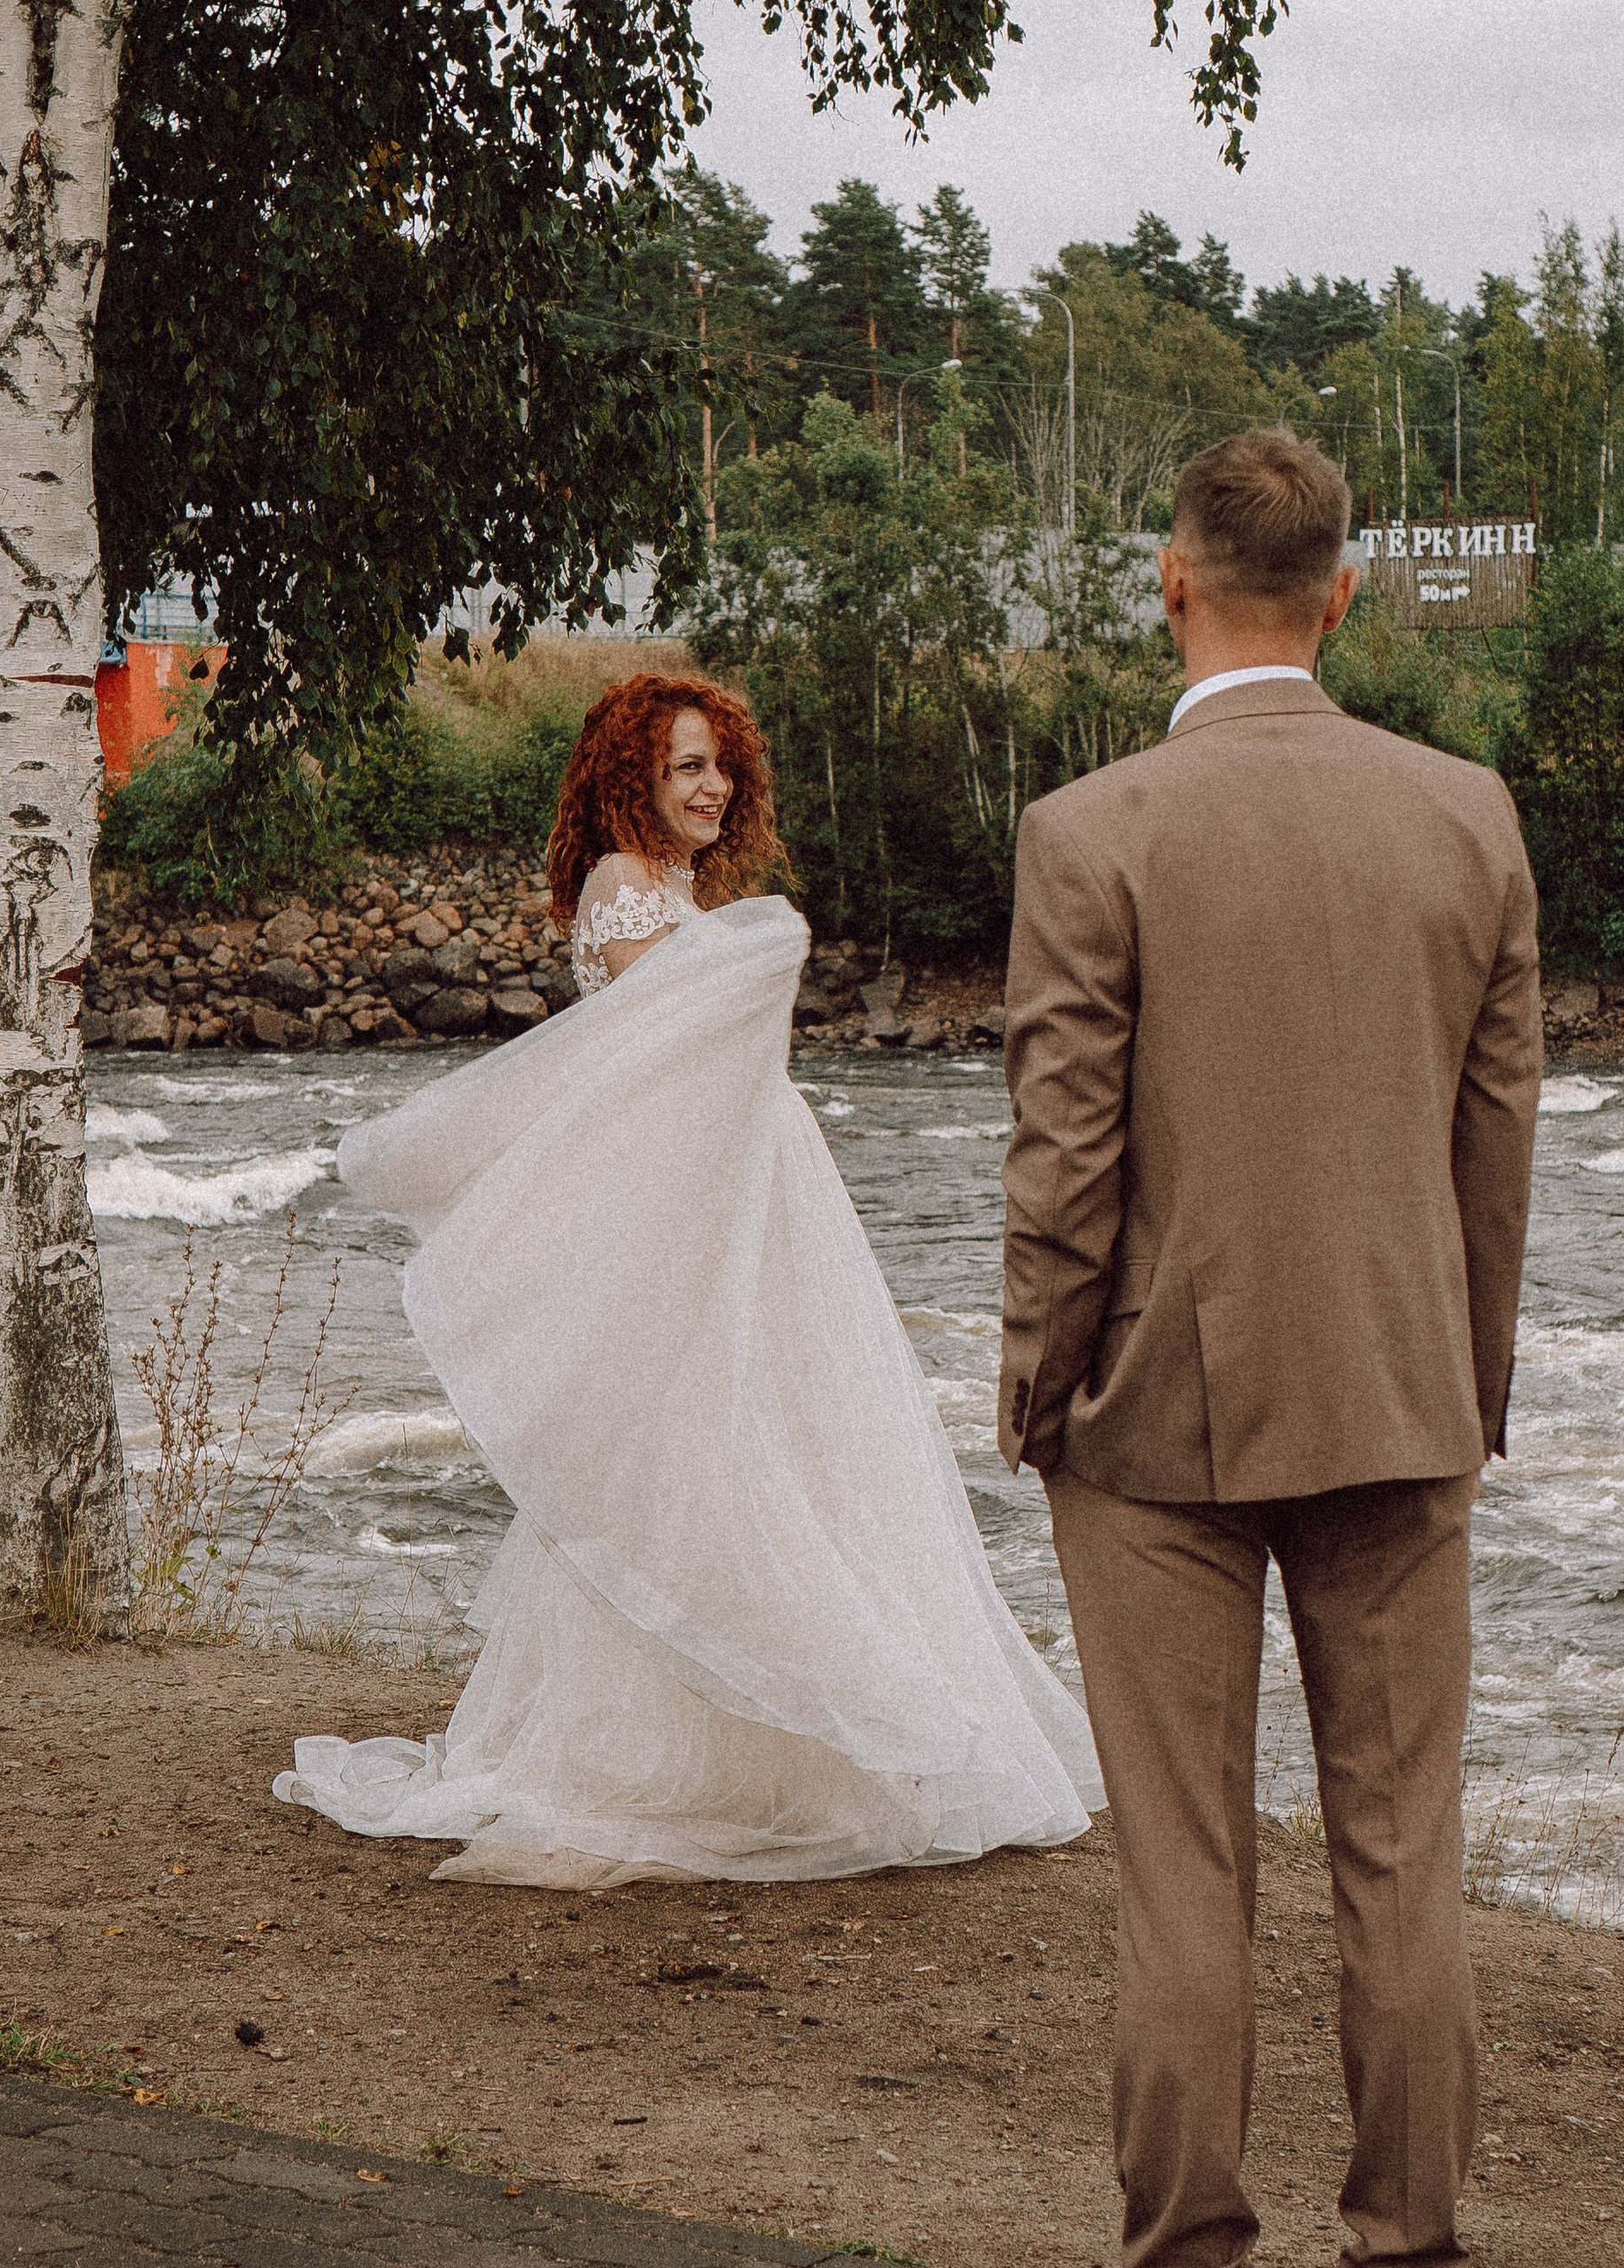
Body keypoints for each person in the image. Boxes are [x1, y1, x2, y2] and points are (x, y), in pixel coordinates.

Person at [1003, 430, 1540, 2268]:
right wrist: (1464, 1384)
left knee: (1186, 1877)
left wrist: (1035, 1385)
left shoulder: (1094, 831)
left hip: (1157, 1417)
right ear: (1340, 592)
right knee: (1404, 1869)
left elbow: (1063, 1163)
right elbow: (1494, 1153)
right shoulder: (1465, 819)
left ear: (1170, 580)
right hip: (1405, 1400)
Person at [277, 669, 1100, 1886]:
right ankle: (662, 1757)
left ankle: (769, 1744)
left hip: (750, 1197)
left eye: (721, 766)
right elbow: (654, 1067)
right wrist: (765, 950)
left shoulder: (676, 893)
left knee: (777, 1449)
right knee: (688, 1458)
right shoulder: (623, 890)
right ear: (632, 781)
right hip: (693, 1210)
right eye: (685, 768)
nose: (713, 787)